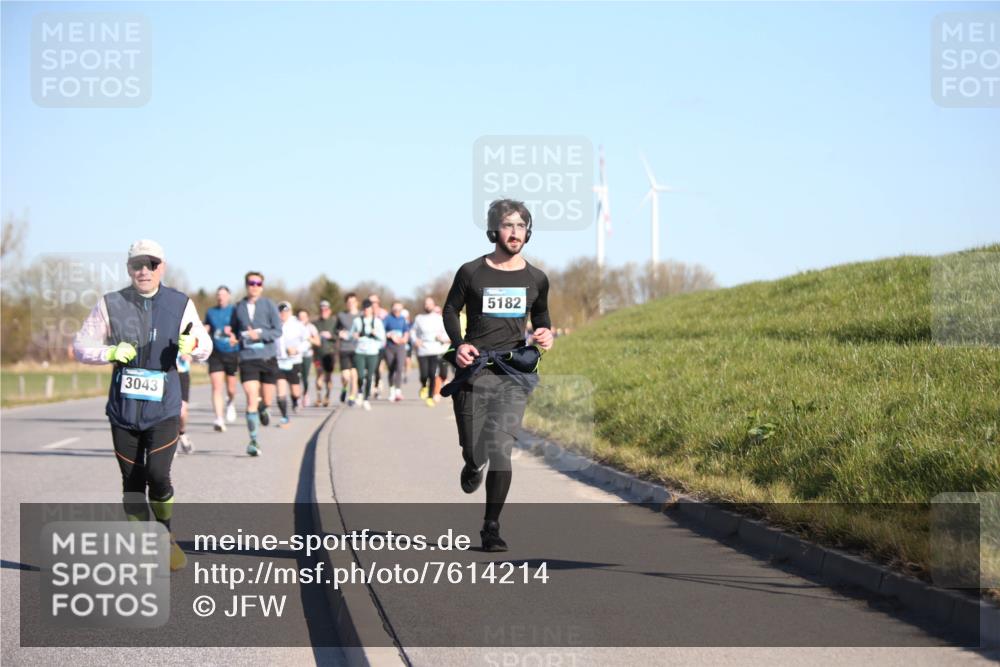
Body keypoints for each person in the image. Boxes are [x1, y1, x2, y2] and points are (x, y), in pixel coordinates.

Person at [73, 239, 212, 571]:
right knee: (132, 484)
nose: (144, 270)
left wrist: (192, 344)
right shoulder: (110, 303)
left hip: (163, 407)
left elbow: (205, 345)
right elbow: (80, 345)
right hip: (124, 410)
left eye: (151, 264)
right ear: (128, 268)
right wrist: (107, 352)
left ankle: (164, 531)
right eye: (137, 264)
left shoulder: (180, 303)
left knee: (158, 475)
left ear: (162, 267)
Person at [442, 199, 554, 552]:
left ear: (528, 232)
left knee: (501, 448)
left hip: (511, 374)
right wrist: (458, 344)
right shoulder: (472, 272)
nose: (515, 232)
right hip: (474, 372)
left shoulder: (536, 278)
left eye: (521, 226)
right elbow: (450, 309)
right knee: (475, 450)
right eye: (508, 225)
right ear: (494, 230)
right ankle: (472, 464)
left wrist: (546, 333)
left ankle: (491, 527)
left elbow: (542, 317)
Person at [229, 271, 282, 456]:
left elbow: (277, 331)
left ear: (262, 286)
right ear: (246, 285)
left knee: (266, 400)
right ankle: (253, 441)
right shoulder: (239, 307)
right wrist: (233, 338)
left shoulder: (269, 305)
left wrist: (259, 335)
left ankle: (264, 408)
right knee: (251, 398)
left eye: (258, 283)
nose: (254, 286)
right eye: (251, 283)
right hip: (247, 358)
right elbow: (234, 330)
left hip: (267, 357)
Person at [203, 286, 239, 431]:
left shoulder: (234, 311)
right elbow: (207, 327)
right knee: (217, 387)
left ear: (229, 296)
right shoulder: (211, 312)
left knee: (231, 389)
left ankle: (230, 401)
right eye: (218, 294)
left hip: (231, 352)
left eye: (223, 295)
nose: (221, 297)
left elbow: (240, 328)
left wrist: (235, 336)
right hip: (215, 353)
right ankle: (219, 418)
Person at [411, 296, 449, 407]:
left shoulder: (439, 318)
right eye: (426, 303)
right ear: (424, 306)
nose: (427, 305)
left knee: (432, 374)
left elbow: (446, 332)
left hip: (435, 349)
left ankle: (430, 397)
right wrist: (415, 340)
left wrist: (443, 338)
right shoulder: (419, 318)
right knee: (424, 374)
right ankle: (423, 386)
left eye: (430, 303)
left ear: (433, 305)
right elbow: (413, 331)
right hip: (423, 349)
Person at [275, 301, 309, 424]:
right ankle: (284, 416)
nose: (283, 314)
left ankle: (295, 400)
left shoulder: (297, 325)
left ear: (290, 312)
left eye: (285, 311)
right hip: (278, 361)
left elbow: (307, 342)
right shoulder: (274, 324)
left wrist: (297, 349)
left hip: (294, 361)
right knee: (280, 391)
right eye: (281, 311)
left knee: (295, 390)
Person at [350, 298, 386, 411]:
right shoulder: (357, 321)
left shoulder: (378, 322)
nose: (366, 311)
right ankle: (360, 392)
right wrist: (354, 336)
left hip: (372, 352)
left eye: (368, 308)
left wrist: (376, 335)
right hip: (360, 351)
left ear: (372, 309)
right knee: (360, 375)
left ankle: (366, 399)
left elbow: (383, 339)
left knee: (370, 375)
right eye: (364, 308)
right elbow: (350, 336)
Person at [335, 293, 360, 406]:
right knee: (346, 376)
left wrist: (360, 334)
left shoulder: (362, 316)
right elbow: (335, 330)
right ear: (346, 304)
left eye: (353, 302)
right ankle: (344, 388)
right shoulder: (341, 316)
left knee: (354, 375)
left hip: (358, 349)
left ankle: (352, 397)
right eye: (349, 302)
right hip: (344, 348)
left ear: (357, 302)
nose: (351, 304)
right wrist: (339, 333)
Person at [382, 300, 410, 402]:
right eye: (395, 308)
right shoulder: (387, 318)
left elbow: (406, 331)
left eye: (399, 309)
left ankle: (398, 390)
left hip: (400, 346)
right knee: (391, 368)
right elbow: (381, 330)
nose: (397, 310)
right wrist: (390, 335)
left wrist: (405, 338)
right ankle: (392, 391)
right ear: (392, 308)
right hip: (389, 347)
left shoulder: (403, 319)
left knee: (399, 367)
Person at [313, 300, 338, 407]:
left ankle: (327, 396)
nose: (324, 311)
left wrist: (331, 336)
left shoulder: (334, 322)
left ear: (330, 310)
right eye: (322, 309)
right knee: (319, 374)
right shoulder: (315, 323)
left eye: (326, 309)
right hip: (318, 354)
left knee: (328, 376)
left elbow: (338, 336)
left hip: (330, 353)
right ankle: (318, 396)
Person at [297, 309, 320, 407]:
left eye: (304, 317)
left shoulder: (311, 328)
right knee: (296, 377)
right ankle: (297, 397)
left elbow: (318, 342)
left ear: (308, 318)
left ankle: (305, 394)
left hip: (307, 354)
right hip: (295, 355)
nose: (302, 319)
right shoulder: (293, 327)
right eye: (300, 317)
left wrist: (308, 338)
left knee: (305, 377)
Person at [177, 352, 194, 453]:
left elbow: (200, 345)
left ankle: (182, 433)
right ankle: (170, 443)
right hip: (163, 373)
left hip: (182, 372)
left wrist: (192, 355)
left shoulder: (187, 335)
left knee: (182, 412)